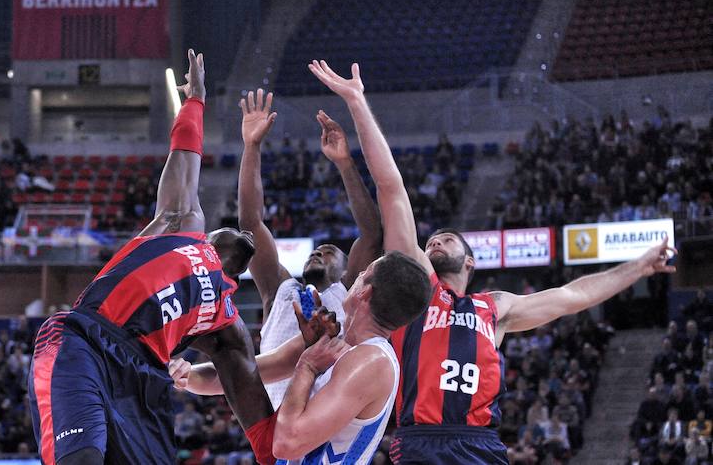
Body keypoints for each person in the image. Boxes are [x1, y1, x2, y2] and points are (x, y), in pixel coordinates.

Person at [307, 59, 678, 465]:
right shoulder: (415, 289)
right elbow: (391, 188)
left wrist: (639, 268)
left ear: (470, 262)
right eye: (432, 239)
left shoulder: (495, 308)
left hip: (481, 443)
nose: (436, 239)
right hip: (420, 440)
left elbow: (574, 295)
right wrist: (357, 102)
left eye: (448, 239)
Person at [28, 50, 276, 465]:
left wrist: (276, 456)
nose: (244, 233)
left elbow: (247, 387)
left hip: (145, 380)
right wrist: (195, 103)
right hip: (86, 343)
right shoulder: (182, 225)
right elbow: (184, 161)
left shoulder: (226, 321)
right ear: (212, 235)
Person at [170, 251, 431, 464]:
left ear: (365, 292)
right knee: (230, 343)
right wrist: (186, 376)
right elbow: (239, 374)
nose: (357, 275)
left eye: (364, 274)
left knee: (231, 333)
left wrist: (307, 366)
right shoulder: (334, 341)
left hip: (283, 451)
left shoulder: (372, 361)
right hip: (276, 454)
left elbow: (286, 445)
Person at [238, 88, 382, 407]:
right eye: (317, 251)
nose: (318, 252)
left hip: (329, 423)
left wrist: (345, 163)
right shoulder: (278, 290)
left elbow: (372, 235)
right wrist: (251, 146)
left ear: (348, 270)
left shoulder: (347, 291)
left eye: (329, 250)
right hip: (277, 425)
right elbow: (250, 224)